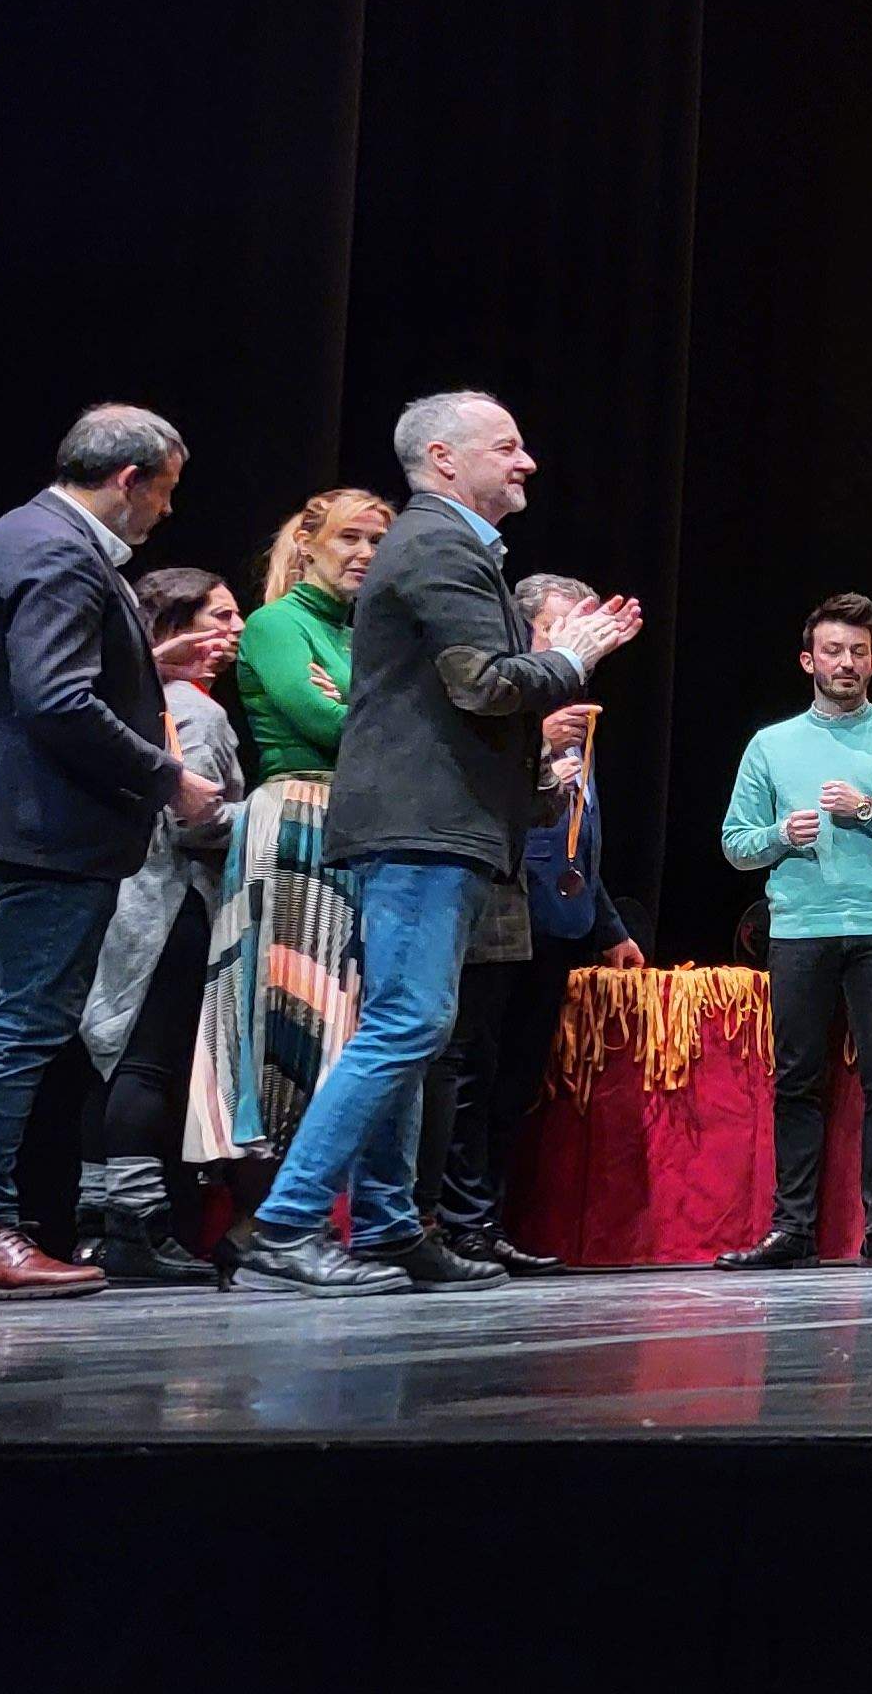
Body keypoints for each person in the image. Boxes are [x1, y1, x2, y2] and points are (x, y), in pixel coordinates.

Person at [228, 391, 645, 1297]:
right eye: (509, 444)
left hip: (432, 822)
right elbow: (486, 685)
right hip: (422, 825)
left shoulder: (451, 548)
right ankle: (285, 1225)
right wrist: (570, 658)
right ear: (447, 460)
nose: (527, 461)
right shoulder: (439, 545)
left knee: (412, 1028)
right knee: (407, 1024)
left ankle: (386, 1225)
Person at [0, 405, 226, 1303]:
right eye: (164, 493)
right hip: (44, 825)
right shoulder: (61, 552)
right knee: (23, 1025)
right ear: (129, 480)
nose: (165, 514)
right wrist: (169, 780)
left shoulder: (22, 537)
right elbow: (58, 702)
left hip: (11, 817)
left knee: (1, 1021)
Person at [715, 592, 872, 1272]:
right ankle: (792, 1229)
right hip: (798, 930)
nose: (845, 662)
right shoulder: (771, 745)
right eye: (832, 651)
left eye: (857, 652)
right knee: (797, 1081)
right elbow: (735, 844)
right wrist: (777, 836)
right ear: (808, 660)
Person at [415, 572, 646, 1277]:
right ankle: (454, 1222)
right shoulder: (511, 714)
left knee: (516, 1083)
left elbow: (575, 838)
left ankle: (488, 1220)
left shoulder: (575, 711)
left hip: (558, 921)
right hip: (494, 917)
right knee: (472, 1074)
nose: (577, 640)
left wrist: (607, 926)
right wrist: (536, 743)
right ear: (523, 636)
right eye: (560, 627)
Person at [195, 487, 390, 1186]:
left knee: (346, 1011)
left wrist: (362, 706)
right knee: (290, 1006)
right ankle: (265, 1206)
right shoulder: (279, 625)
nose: (366, 555)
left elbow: (365, 724)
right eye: (350, 540)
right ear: (309, 546)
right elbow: (325, 726)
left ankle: (315, 1202)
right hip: (300, 818)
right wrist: (373, 710)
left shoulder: (359, 635)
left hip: (355, 823)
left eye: (376, 542)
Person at [70, 567, 247, 1284]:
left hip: (120, 902)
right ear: (179, 627)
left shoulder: (127, 706)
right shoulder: (194, 713)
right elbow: (194, 822)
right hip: (169, 906)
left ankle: (93, 1222)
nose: (237, 631)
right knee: (148, 1062)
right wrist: (272, 815)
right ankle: (137, 1227)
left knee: (111, 1062)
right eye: (223, 617)